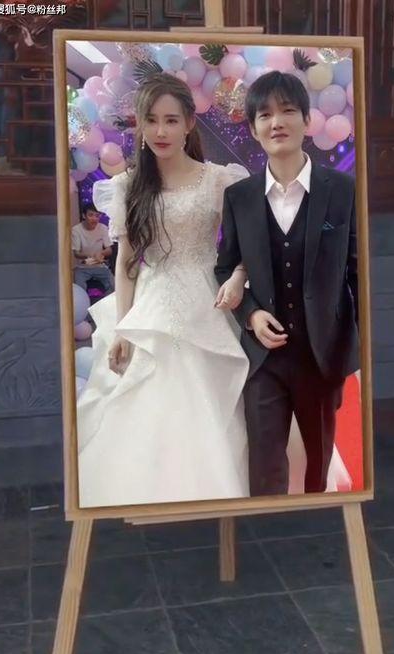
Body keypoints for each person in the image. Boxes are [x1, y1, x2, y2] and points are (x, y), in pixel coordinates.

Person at [77, 73, 250, 507]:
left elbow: (249, 247)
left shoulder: (219, 180)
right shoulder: (128, 185)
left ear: (189, 123)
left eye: (171, 120)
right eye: (151, 120)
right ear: (139, 124)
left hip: (209, 303)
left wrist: (239, 275)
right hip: (150, 307)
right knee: (144, 403)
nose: (160, 131)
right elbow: (126, 264)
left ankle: (212, 495)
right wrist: (122, 327)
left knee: (210, 404)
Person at [215, 71, 359, 496]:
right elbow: (225, 268)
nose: (276, 122)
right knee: (265, 464)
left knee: (319, 461)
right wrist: (250, 314)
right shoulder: (239, 197)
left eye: (288, 110)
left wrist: (356, 346)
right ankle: (267, 529)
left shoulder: (344, 189)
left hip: (322, 353)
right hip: (264, 360)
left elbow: (358, 271)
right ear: (253, 128)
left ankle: (316, 527)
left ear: (307, 120)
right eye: (265, 115)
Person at [72, 203, 115, 294]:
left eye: (97, 216)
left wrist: (101, 253)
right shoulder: (76, 230)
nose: (94, 219)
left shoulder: (103, 228)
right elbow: (76, 253)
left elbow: (109, 250)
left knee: (114, 285)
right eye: (91, 215)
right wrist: (91, 255)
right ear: (84, 216)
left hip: (100, 266)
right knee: (79, 290)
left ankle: (104, 302)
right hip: (82, 268)